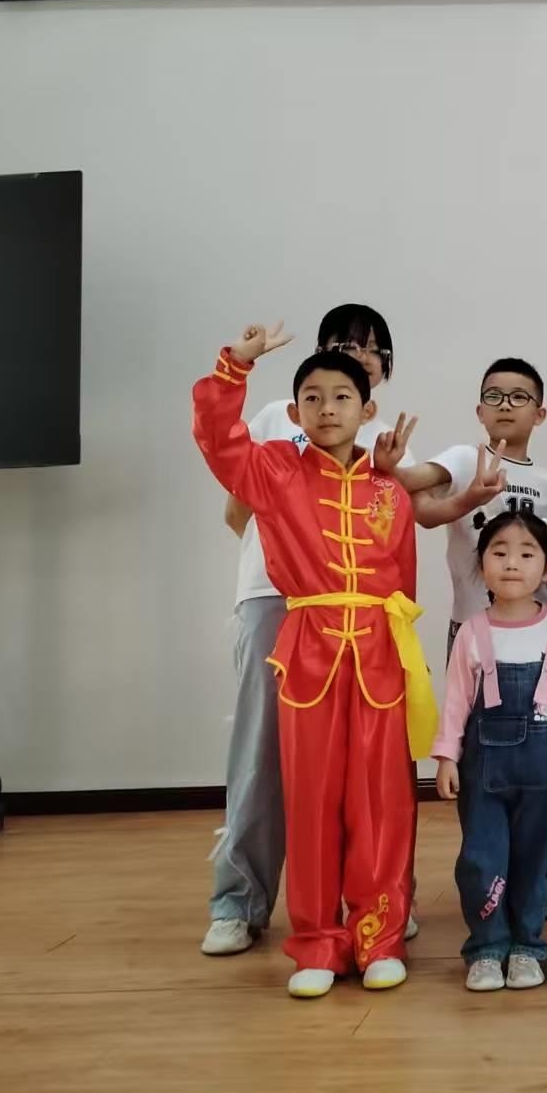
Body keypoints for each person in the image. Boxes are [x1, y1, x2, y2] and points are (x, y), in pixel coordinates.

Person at [192, 322, 445, 998]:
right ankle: (316, 942)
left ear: (367, 408)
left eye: (341, 397)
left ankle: (379, 936)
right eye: (312, 397)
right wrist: (235, 364)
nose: (326, 408)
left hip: (380, 655)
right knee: (308, 802)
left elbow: (402, 582)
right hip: (308, 654)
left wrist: (407, 662)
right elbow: (217, 438)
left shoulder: (389, 488)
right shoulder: (275, 470)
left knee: (383, 802)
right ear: (296, 409)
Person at [433, 511, 547, 993]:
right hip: (482, 772)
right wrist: (446, 756)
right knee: (481, 857)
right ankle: (487, 948)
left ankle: (528, 946)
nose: (512, 563)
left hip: (544, 768)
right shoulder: (472, 632)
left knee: (537, 858)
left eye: (527, 553)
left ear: (546, 569)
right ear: (481, 564)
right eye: (499, 552)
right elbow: (456, 700)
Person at [397, 358, 547, 655]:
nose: (505, 405)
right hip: (471, 624)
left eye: (518, 397)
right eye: (494, 396)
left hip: (540, 628)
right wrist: (467, 498)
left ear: (540, 414)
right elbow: (413, 493)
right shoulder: (465, 458)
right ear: (480, 411)